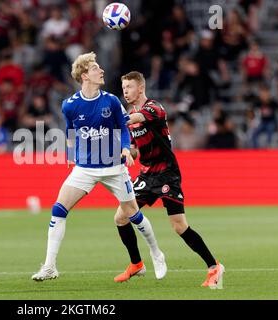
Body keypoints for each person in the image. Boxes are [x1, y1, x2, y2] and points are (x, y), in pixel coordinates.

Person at [31, 52, 166, 283]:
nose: (101, 71)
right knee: (58, 210)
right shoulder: (70, 105)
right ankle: (50, 266)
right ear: (85, 75)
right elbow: (71, 131)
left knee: (133, 215)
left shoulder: (111, 101)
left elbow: (123, 128)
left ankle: (156, 253)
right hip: (85, 169)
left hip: (114, 167)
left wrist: (125, 148)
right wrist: (72, 156)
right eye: (95, 68)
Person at [122, 71, 224, 289]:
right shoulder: (131, 117)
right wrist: (128, 153)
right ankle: (136, 264)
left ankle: (214, 266)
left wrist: (113, 118)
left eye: (129, 87)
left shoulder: (153, 108)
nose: (125, 92)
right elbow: (135, 148)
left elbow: (137, 118)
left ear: (140, 88)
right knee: (121, 216)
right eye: (123, 88)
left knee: (179, 226)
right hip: (147, 174)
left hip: (167, 172)